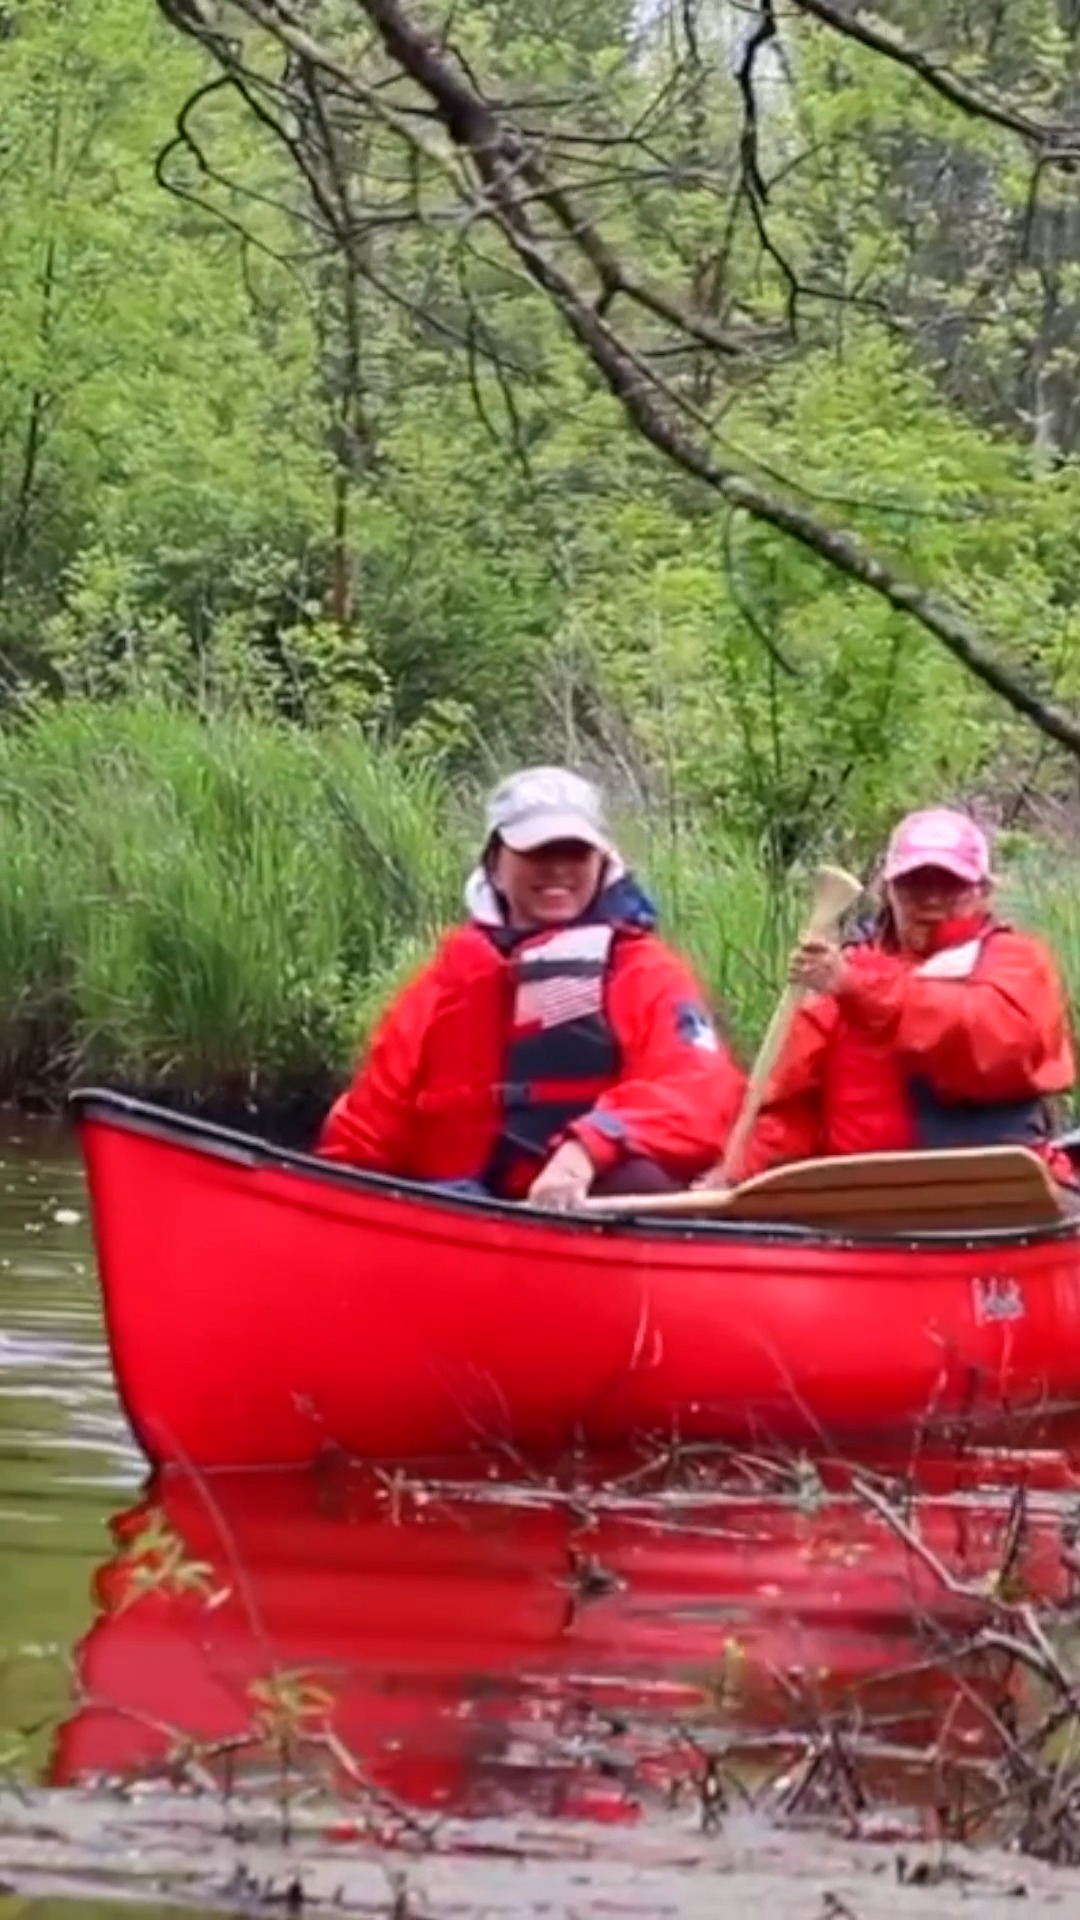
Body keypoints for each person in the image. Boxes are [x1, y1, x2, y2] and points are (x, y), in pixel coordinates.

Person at [316, 766, 746, 1208]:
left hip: (588, 1206)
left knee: (639, 1176)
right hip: (455, 1210)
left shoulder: (644, 971)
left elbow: (697, 1089)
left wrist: (586, 1151)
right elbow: (366, 1128)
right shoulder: (441, 986)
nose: (558, 868)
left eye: (576, 853)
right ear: (495, 865)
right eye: (537, 852)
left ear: (602, 863)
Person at [705, 806, 1076, 1189]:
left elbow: (993, 1040)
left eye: (950, 885)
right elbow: (793, 1113)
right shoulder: (847, 976)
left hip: (992, 1198)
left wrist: (859, 990)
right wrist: (735, 1176)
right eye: (913, 884)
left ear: (982, 892)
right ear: (888, 891)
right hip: (869, 1206)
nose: (931, 900)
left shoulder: (1016, 961)